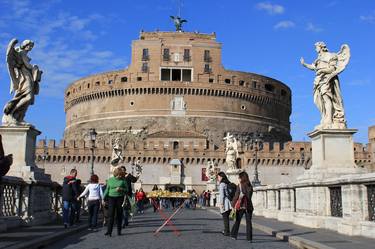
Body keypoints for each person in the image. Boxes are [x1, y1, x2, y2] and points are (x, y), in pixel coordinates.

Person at [104, 167, 127, 237]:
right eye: (119, 175)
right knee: (110, 215)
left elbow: (127, 189)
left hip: (120, 198)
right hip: (111, 198)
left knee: (119, 215)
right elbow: (107, 189)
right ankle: (109, 231)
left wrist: (121, 189)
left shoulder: (123, 181)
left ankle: (119, 230)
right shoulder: (110, 180)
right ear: (116, 174)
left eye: (121, 175)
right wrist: (103, 198)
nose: (120, 176)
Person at [231, 171, 254, 242]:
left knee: (237, 221)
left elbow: (236, 196)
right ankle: (249, 238)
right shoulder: (250, 185)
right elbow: (250, 197)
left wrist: (232, 205)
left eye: (239, 178)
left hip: (241, 206)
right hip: (248, 206)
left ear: (242, 178)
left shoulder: (240, 186)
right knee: (249, 222)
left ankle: (234, 235)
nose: (239, 179)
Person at [217, 172, 232, 236]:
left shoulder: (222, 184)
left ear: (221, 177)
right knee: (227, 218)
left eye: (218, 177)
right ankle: (227, 230)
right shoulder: (227, 183)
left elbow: (222, 195)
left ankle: (226, 231)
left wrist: (221, 204)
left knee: (225, 218)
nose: (218, 178)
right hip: (229, 203)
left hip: (225, 203)